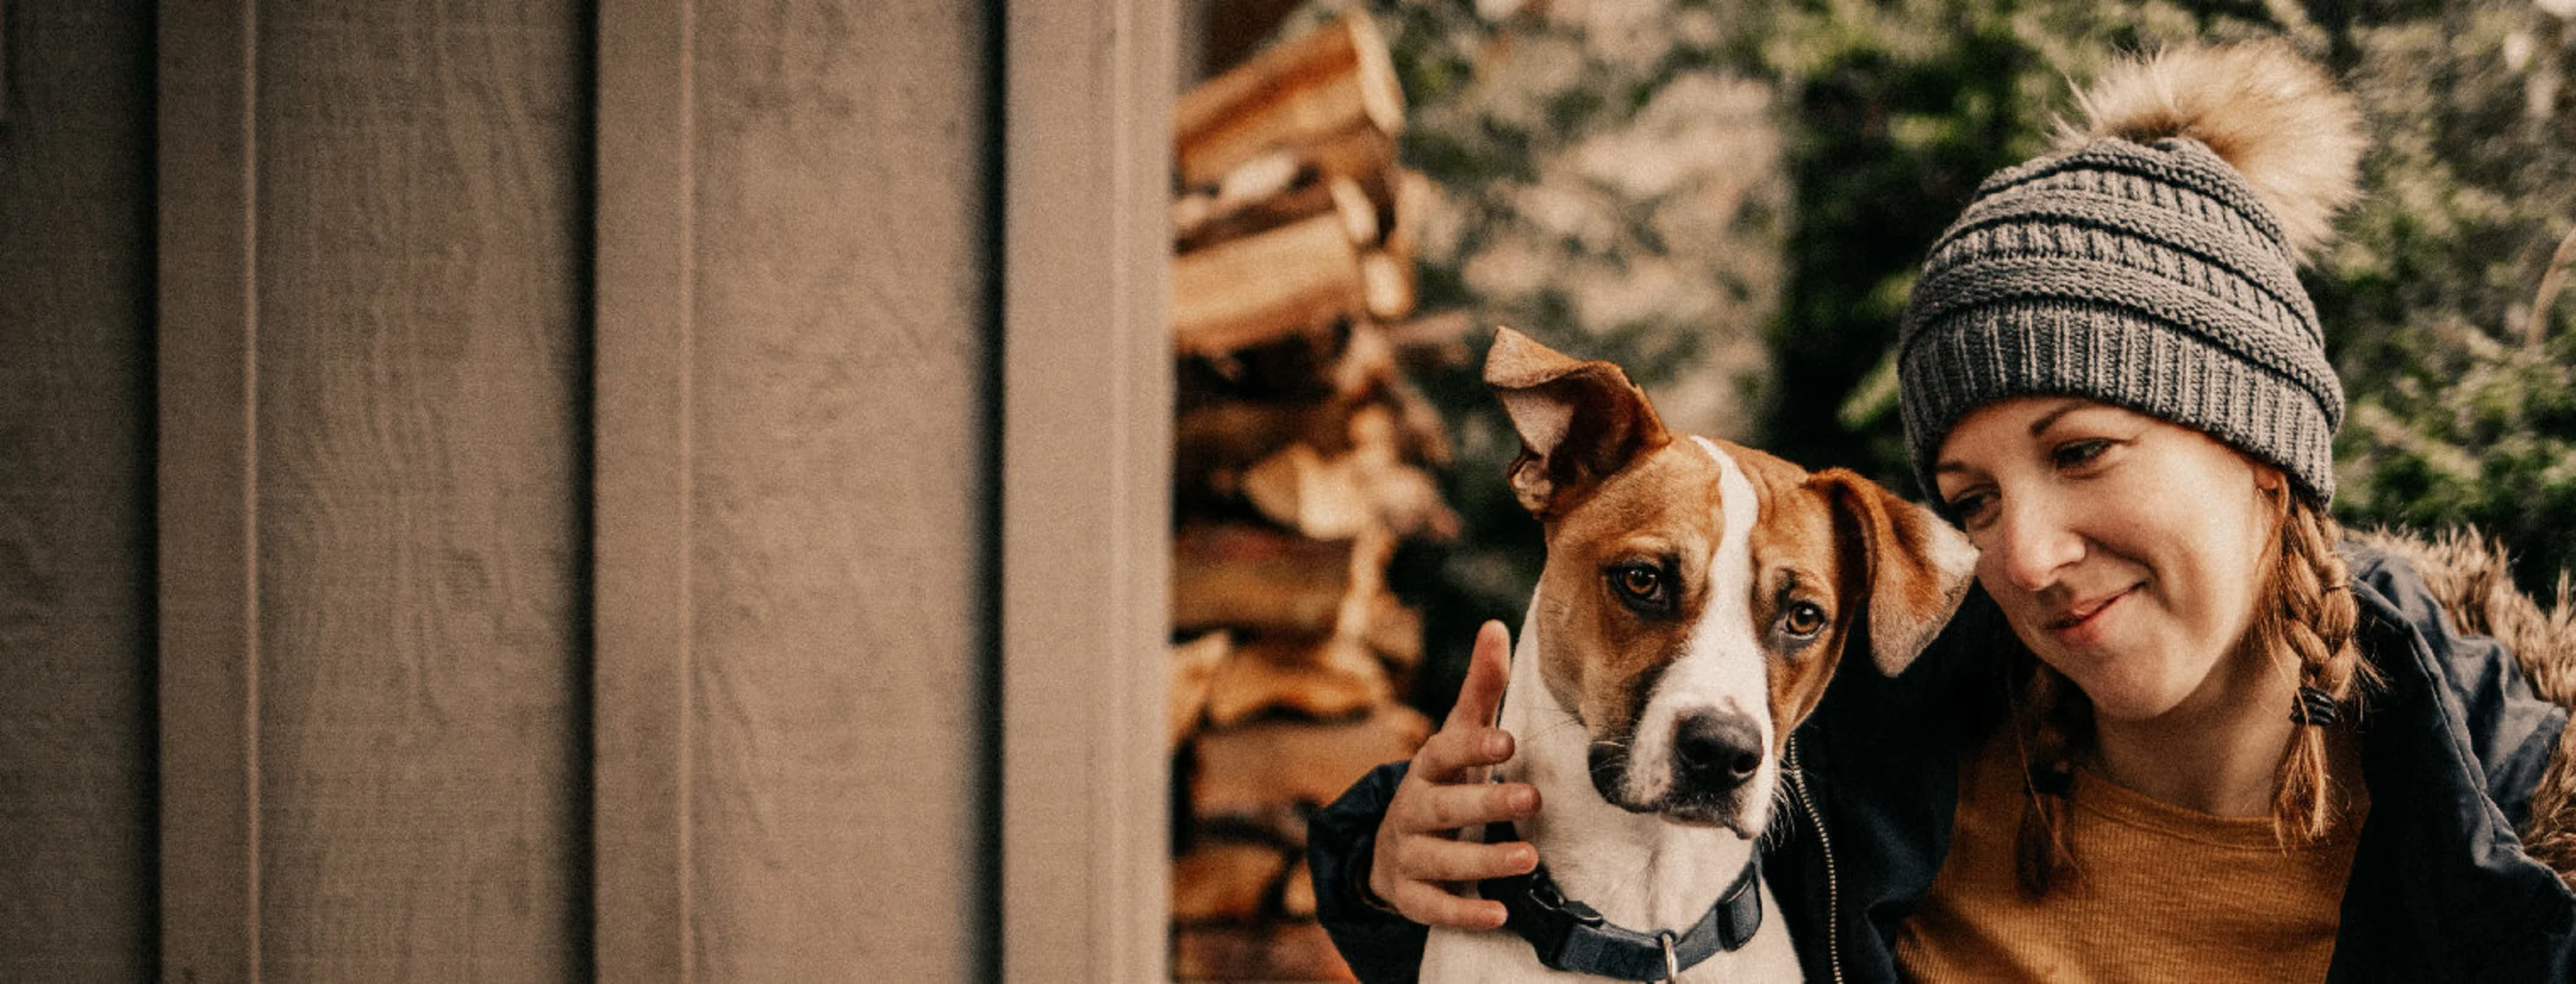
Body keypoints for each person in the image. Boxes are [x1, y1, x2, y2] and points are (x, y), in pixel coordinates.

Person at [1306, 39, 2576, 982]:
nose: (2021, 555)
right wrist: (1380, 850)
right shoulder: (1877, 718)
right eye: (1968, 498)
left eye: (2083, 450)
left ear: (2262, 455)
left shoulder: (2493, 807)